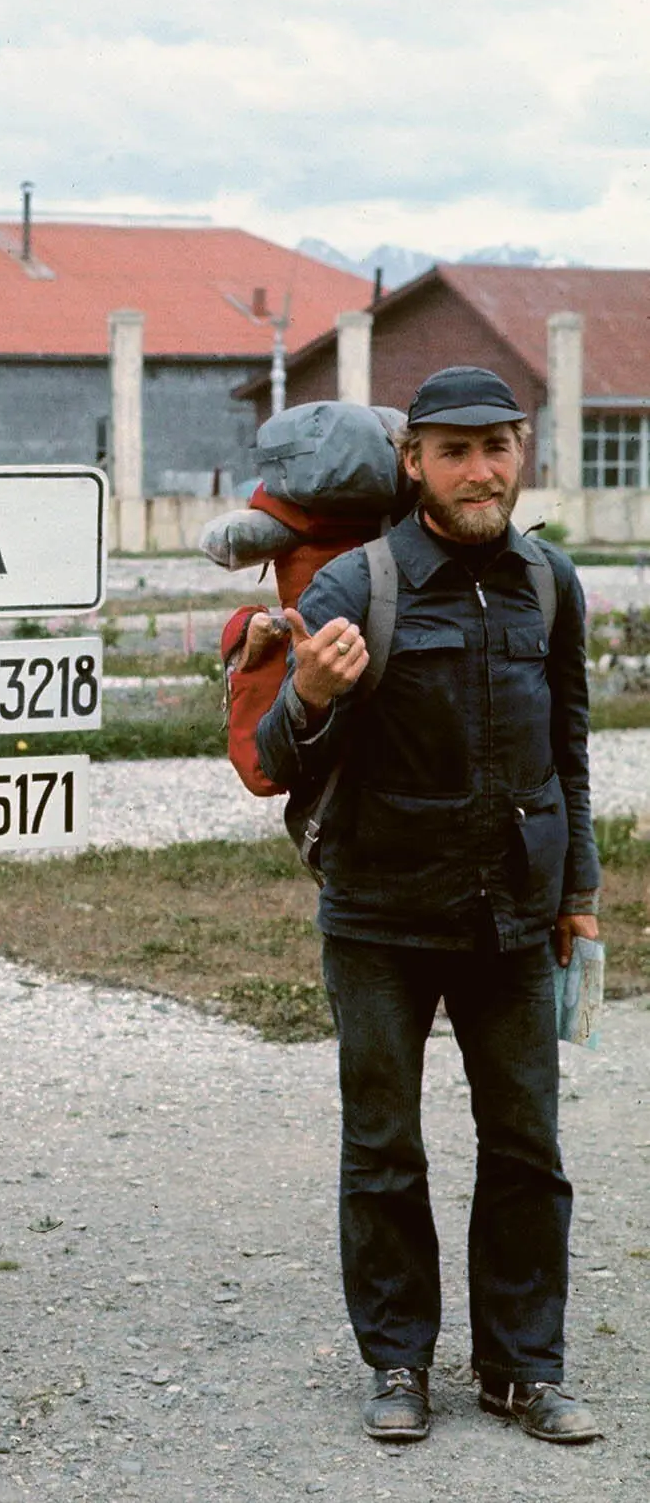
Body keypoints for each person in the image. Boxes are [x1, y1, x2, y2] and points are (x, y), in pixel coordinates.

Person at [256, 365, 601, 1445]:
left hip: (512, 914)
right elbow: (273, 758)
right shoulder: (355, 586)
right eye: (453, 449)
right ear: (414, 462)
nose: (479, 468)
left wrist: (579, 896)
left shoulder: (549, 582)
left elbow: (569, 752)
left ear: (521, 452)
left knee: (527, 1146)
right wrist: (310, 691)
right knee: (383, 1145)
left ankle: (520, 1367)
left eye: (496, 445)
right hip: (378, 917)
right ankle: (397, 1362)